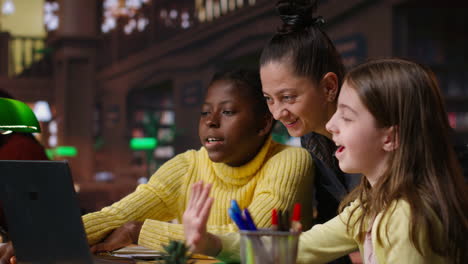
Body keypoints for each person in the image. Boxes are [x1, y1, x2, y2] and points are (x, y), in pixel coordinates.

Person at [0, 69, 315, 264]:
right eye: (205, 112)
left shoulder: (289, 161)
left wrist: (140, 232)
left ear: (263, 124)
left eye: (228, 111)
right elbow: (118, 215)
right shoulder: (188, 165)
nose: (211, 121)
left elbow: (250, 240)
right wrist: (37, 240)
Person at [183, 58, 468, 264]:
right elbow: (300, 247)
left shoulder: (407, 218)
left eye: (346, 116)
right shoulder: (372, 205)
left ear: (390, 137)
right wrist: (211, 242)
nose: (331, 125)